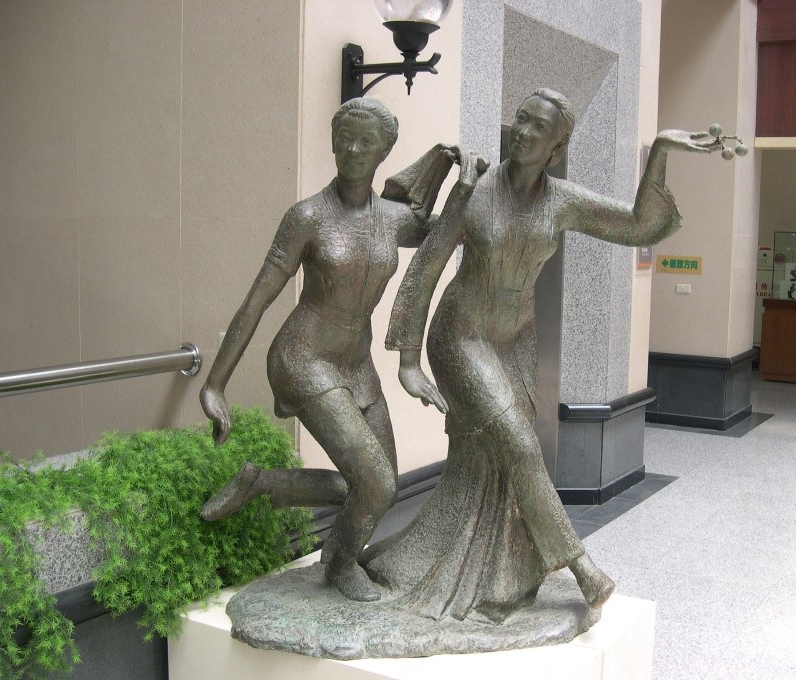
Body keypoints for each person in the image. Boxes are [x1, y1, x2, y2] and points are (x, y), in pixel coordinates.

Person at [361, 89, 721, 621]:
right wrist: (408, 357)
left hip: (518, 341)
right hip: (462, 336)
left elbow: (638, 226)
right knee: (522, 448)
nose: (524, 133)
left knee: (494, 459)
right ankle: (582, 567)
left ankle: (487, 575)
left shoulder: (562, 201)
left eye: (539, 128)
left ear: (557, 147)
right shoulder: (476, 189)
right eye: (521, 120)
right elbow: (428, 263)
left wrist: (661, 151)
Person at [199, 97, 482, 602]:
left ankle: (263, 484)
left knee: (381, 485)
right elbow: (257, 301)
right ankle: (341, 565)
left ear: (384, 152)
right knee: (375, 484)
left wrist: (463, 182)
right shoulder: (307, 217)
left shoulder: (391, 219)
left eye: (365, 142)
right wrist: (215, 384)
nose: (352, 150)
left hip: (357, 363)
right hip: (303, 358)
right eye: (344, 139)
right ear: (332, 142)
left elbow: (445, 233)